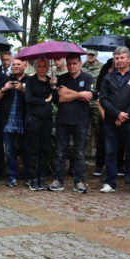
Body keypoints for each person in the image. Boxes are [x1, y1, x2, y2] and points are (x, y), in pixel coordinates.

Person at [48, 53, 94, 193]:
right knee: (60, 152)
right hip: (64, 120)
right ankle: (58, 180)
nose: (71, 66)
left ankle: (79, 181)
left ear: (80, 63)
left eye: (74, 63)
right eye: (69, 63)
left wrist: (69, 92)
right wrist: (79, 94)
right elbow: (61, 99)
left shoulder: (87, 77)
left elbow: (88, 97)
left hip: (81, 121)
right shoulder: (61, 79)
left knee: (79, 153)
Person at [99, 46, 130, 193]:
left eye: (122, 57)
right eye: (117, 58)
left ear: (129, 59)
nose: (119, 60)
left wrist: (125, 114)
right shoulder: (108, 77)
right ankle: (110, 182)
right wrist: (116, 114)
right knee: (110, 152)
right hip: (111, 121)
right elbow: (103, 99)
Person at [0, 57, 30, 187]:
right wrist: (4, 89)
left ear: (25, 65)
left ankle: (28, 176)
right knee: (9, 150)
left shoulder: (29, 80)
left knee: (26, 150)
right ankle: (12, 176)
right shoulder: (6, 79)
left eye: (18, 64)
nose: (15, 66)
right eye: (14, 64)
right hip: (8, 120)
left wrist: (23, 90)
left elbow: (34, 99)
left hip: (24, 120)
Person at [24, 57, 57, 190]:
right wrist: (44, 100)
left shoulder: (50, 81)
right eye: (40, 66)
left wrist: (54, 87)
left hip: (47, 119)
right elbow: (28, 98)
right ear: (36, 67)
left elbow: (55, 99)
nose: (42, 69)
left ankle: (41, 177)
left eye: (44, 66)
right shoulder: (30, 80)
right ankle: (34, 178)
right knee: (34, 150)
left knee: (44, 149)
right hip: (33, 118)